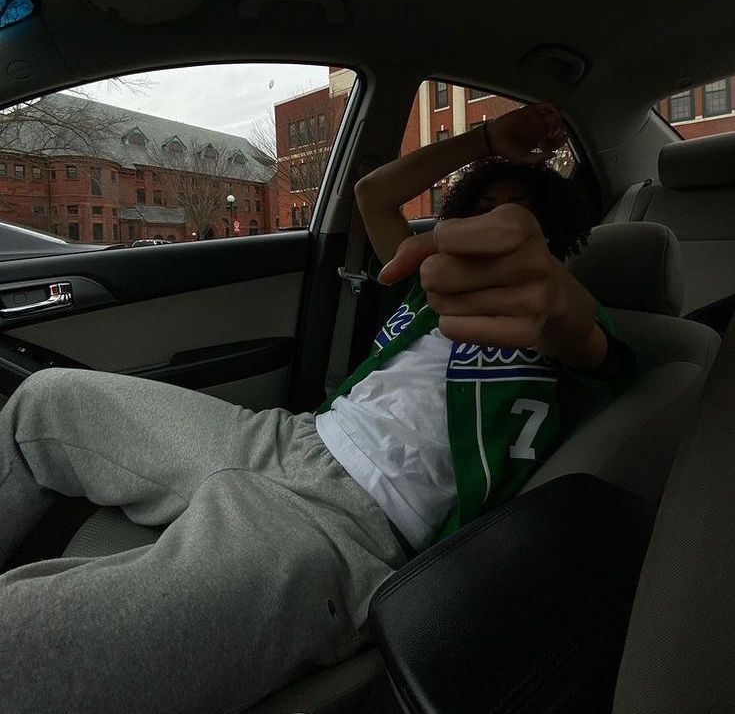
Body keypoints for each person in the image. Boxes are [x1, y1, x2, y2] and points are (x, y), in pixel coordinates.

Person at [0, 102, 632, 713]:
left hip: (352, 528)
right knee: (45, 402)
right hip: (286, 439)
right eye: (481, 211)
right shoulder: (427, 282)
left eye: (516, 219)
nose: (493, 230)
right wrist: (490, 141)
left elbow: (583, 337)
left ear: (548, 235)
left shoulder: (565, 324)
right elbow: (373, 196)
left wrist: (557, 299)